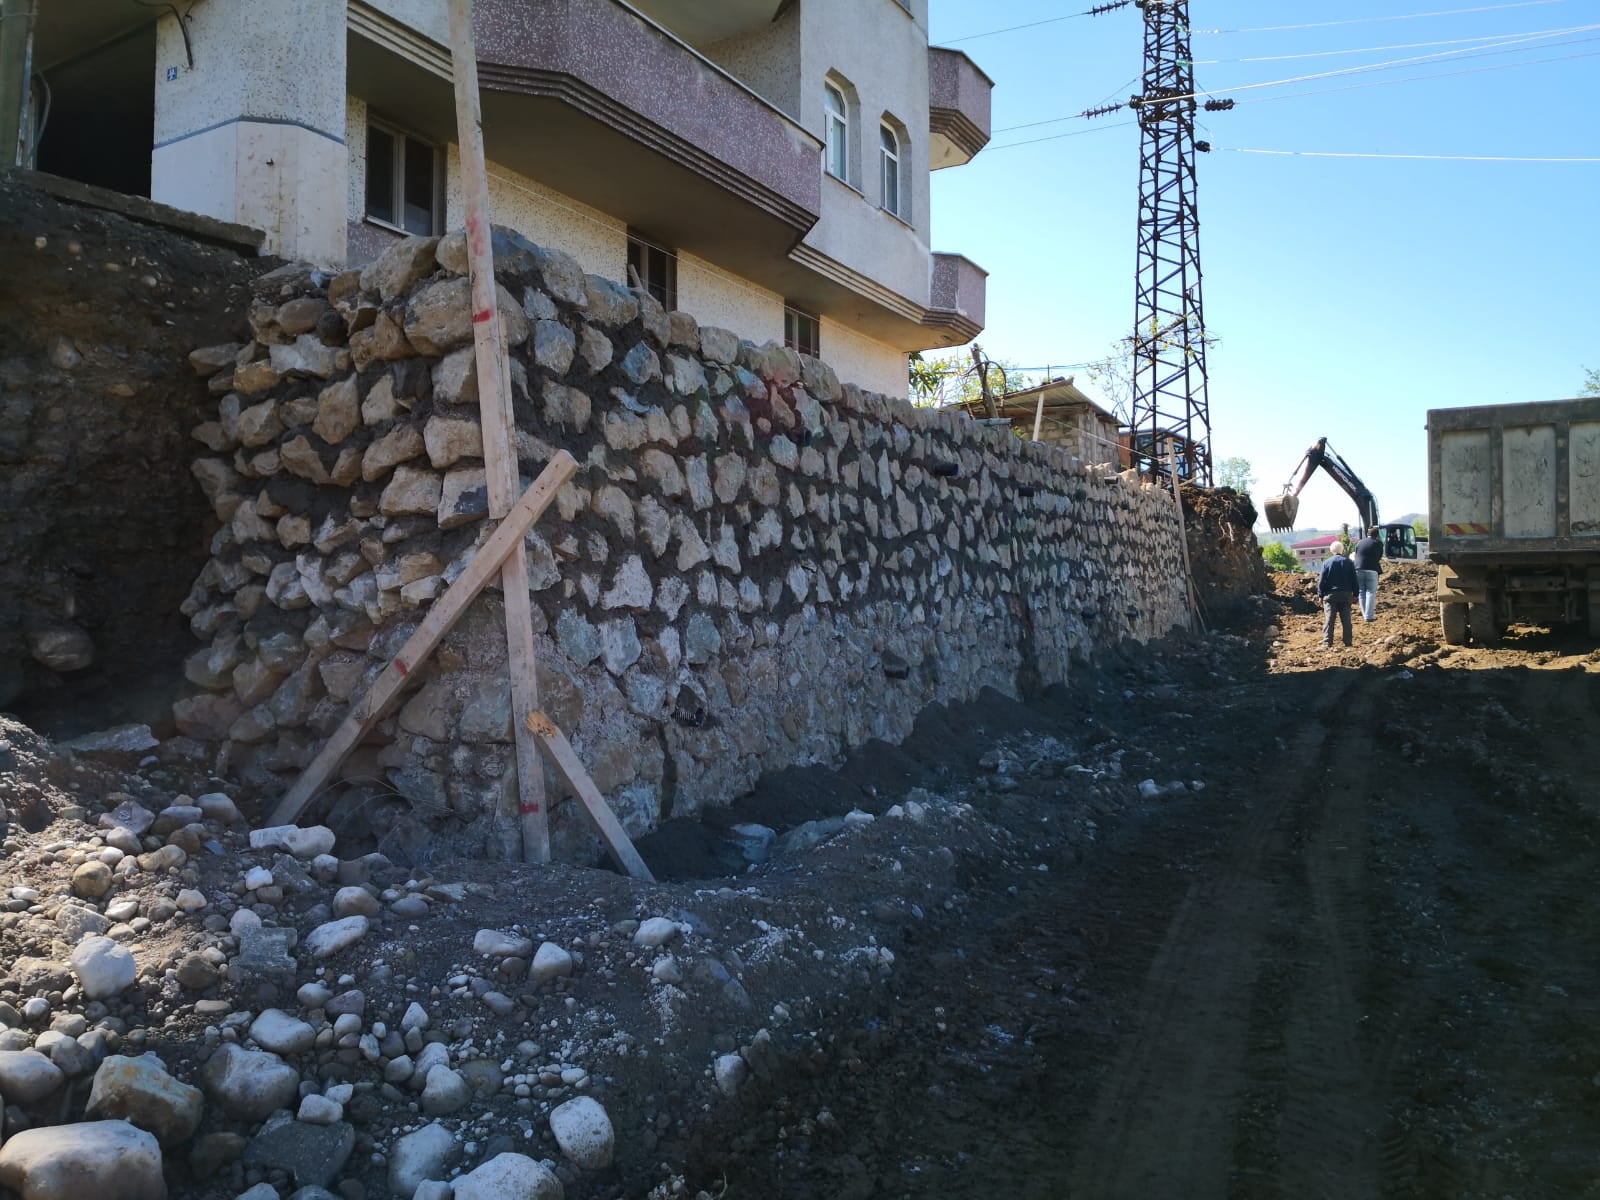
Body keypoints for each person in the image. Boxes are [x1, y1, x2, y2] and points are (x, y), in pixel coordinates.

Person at [1317, 541, 1359, 648]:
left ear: (1331, 551)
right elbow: (1354, 580)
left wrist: (1320, 595)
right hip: (1346, 595)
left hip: (1330, 596)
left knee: (1329, 620)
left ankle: (1327, 642)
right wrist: (1355, 594)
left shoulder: (1327, 563)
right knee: (1346, 620)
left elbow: (1322, 581)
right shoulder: (1349, 562)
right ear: (1342, 550)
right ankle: (1348, 642)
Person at [1351, 527, 1383, 622]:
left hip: (1358, 569)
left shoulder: (1360, 542)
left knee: (1361, 592)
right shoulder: (1378, 543)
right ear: (1377, 535)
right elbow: (1379, 556)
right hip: (1372, 569)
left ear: (1367, 534)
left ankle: (1365, 614)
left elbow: (1357, 554)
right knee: (1370, 592)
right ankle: (1369, 617)